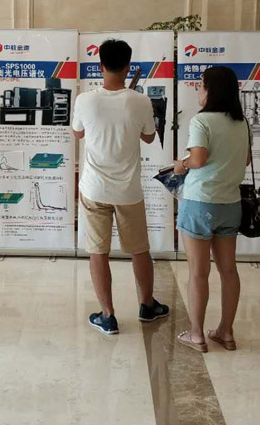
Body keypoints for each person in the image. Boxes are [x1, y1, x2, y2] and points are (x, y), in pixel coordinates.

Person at [72, 39, 169, 335]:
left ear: (100, 66)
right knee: (139, 250)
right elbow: (149, 137)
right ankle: (147, 306)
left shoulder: (85, 100)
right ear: (128, 67)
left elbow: (78, 133)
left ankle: (108, 315)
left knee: (98, 252)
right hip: (128, 191)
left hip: (94, 190)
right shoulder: (140, 101)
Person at [173, 66, 250, 352]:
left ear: (211, 90)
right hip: (230, 203)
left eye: (201, 85)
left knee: (198, 272)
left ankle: (196, 335)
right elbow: (246, 160)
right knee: (228, 270)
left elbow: (198, 159)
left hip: (200, 202)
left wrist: (181, 164)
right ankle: (225, 332)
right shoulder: (241, 122)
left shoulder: (201, 121)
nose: (198, 89)